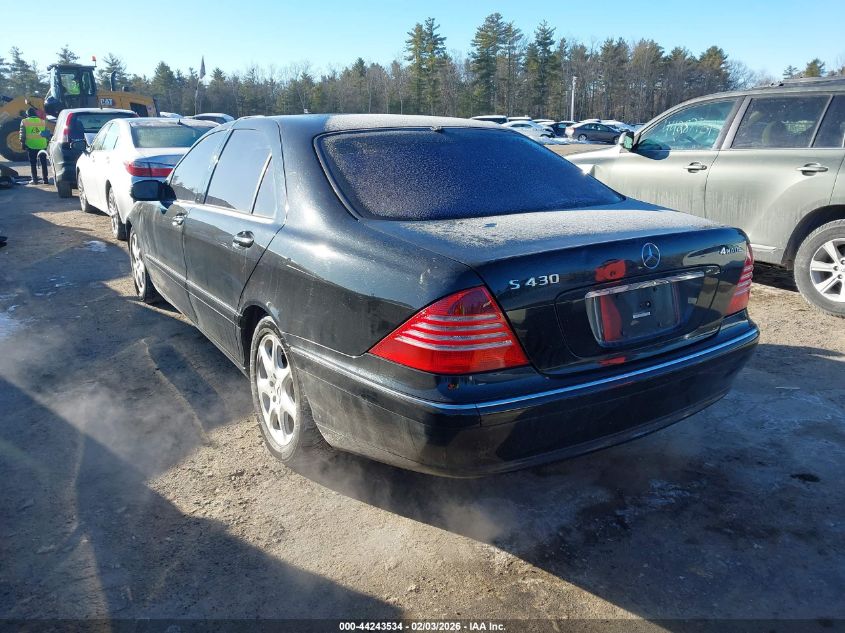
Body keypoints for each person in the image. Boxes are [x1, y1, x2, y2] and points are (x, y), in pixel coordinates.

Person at [19, 107, 49, 185]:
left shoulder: (24, 121)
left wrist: (22, 143)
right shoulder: (42, 121)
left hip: (31, 145)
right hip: (42, 145)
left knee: (33, 163)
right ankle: (45, 179)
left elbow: (22, 134)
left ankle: (35, 180)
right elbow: (46, 134)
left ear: (27, 114)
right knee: (44, 163)